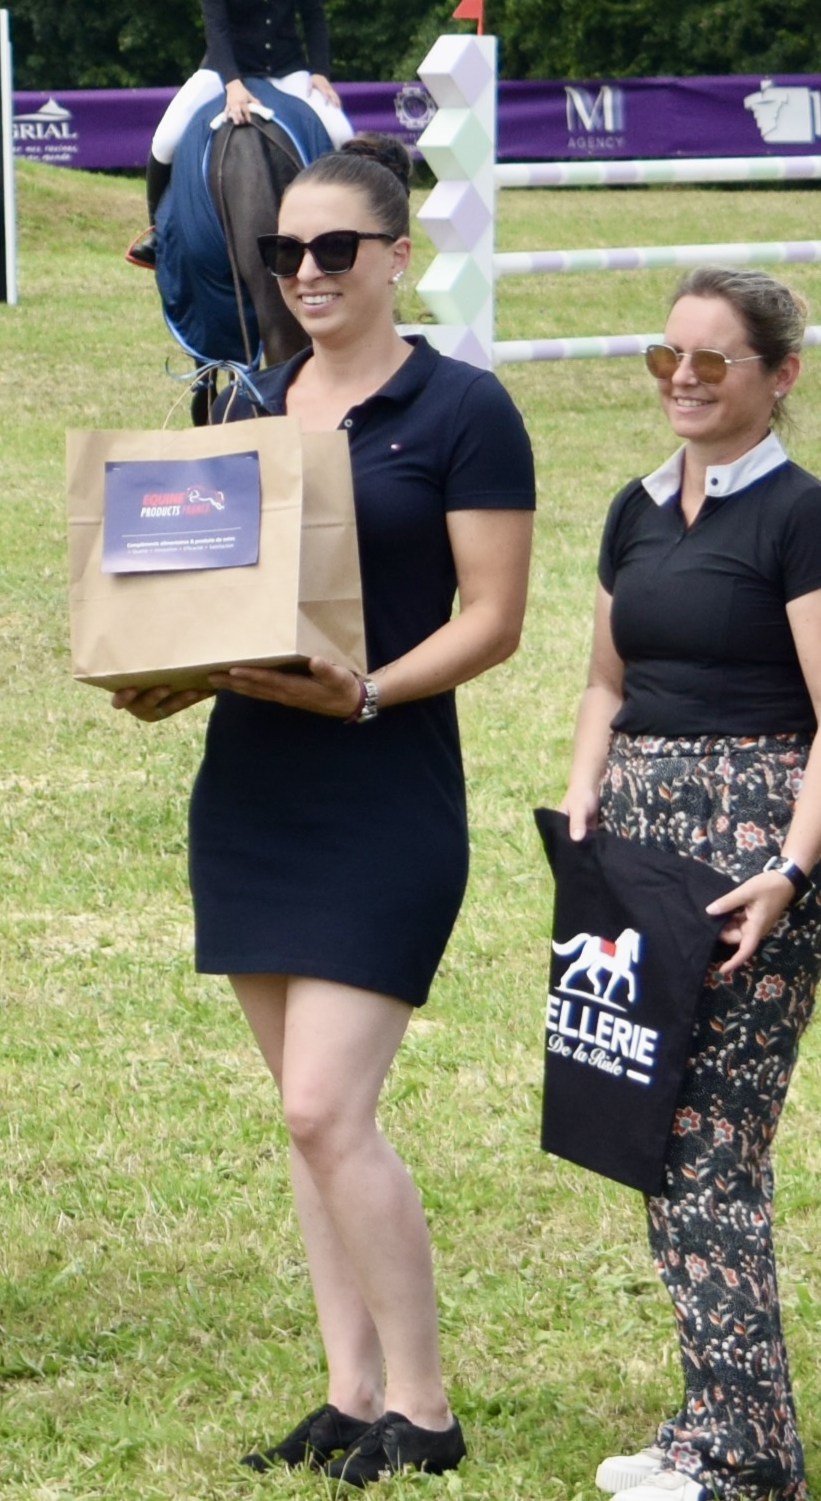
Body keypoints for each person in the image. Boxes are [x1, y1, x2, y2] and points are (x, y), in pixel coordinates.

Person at [116, 135, 533, 1483]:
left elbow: (494, 617)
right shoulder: (247, 399)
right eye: (282, 250)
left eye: (332, 248)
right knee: (305, 1120)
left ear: (396, 255)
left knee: (322, 1107)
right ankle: (351, 1392)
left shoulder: (463, 408)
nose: (304, 270)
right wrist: (162, 672)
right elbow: (207, 592)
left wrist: (366, 693)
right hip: (251, 788)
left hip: (383, 786)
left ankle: (425, 1405)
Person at [564, 270, 821, 1501]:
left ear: (780, 373)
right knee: (652, 1134)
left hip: (751, 852)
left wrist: (788, 867)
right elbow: (606, 680)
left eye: (713, 359)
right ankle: (710, 1420)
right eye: (666, 357)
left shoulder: (809, 520)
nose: (682, 378)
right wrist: (583, 797)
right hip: (637, 844)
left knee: (709, 1138)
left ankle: (747, 1457)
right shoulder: (633, 507)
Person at [132, 0, 335, 269]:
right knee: (166, 138)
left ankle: (345, 224)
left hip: (285, 66)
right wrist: (232, 83)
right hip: (225, 67)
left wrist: (320, 71)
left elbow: (313, 13)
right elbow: (217, 28)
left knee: (340, 132)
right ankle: (158, 231)